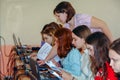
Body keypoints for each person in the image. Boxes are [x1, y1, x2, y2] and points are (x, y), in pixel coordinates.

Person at [38, 1, 113, 65]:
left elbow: (103, 25)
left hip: (98, 47)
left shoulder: (82, 18)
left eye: (58, 16)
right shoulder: (66, 26)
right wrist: (46, 60)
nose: (57, 19)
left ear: (65, 12)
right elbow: (58, 44)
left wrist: (112, 45)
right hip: (88, 51)